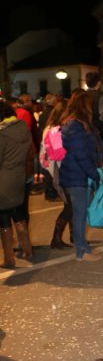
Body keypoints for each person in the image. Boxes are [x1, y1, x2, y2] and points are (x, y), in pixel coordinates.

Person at [59, 93, 101, 262]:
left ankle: (82, 247)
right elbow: (81, 154)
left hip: (74, 173)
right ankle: (81, 251)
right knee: (80, 214)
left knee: (79, 213)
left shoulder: (73, 123)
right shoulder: (76, 125)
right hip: (78, 175)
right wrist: (94, 173)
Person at [0, 100, 34, 268]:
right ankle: (27, 250)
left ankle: (8, 258)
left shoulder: (2, 134)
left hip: (3, 181)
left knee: (3, 218)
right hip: (19, 177)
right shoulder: (22, 128)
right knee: (19, 213)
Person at [40, 99, 73, 249]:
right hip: (62, 170)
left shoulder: (48, 128)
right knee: (70, 205)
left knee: (70, 204)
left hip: (55, 171)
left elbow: (44, 154)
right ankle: (56, 238)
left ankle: (73, 236)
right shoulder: (60, 129)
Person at [85, 72, 103, 181]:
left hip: (85, 136)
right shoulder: (101, 96)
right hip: (100, 136)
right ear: (99, 83)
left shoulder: (80, 96)